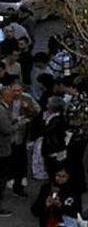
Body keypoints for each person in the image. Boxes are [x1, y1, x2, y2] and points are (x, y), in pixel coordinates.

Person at [0, 79, 26, 218]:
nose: (12, 98)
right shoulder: (1, 110)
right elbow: (6, 129)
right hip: (2, 149)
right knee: (1, 179)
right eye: (10, 95)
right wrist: (19, 124)